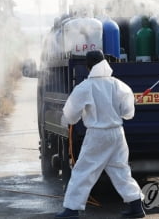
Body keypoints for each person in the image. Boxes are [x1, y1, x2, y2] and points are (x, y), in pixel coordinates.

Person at [55, 50, 145, 219]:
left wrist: (69, 121)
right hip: (118, 134)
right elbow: (128, 113)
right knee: (121, 170)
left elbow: (71, 114)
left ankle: (72, 209)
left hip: (97, 135)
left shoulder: (85, 87)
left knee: (83, 171)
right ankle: (136, 206)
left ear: (89, 66)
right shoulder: (119, 85)